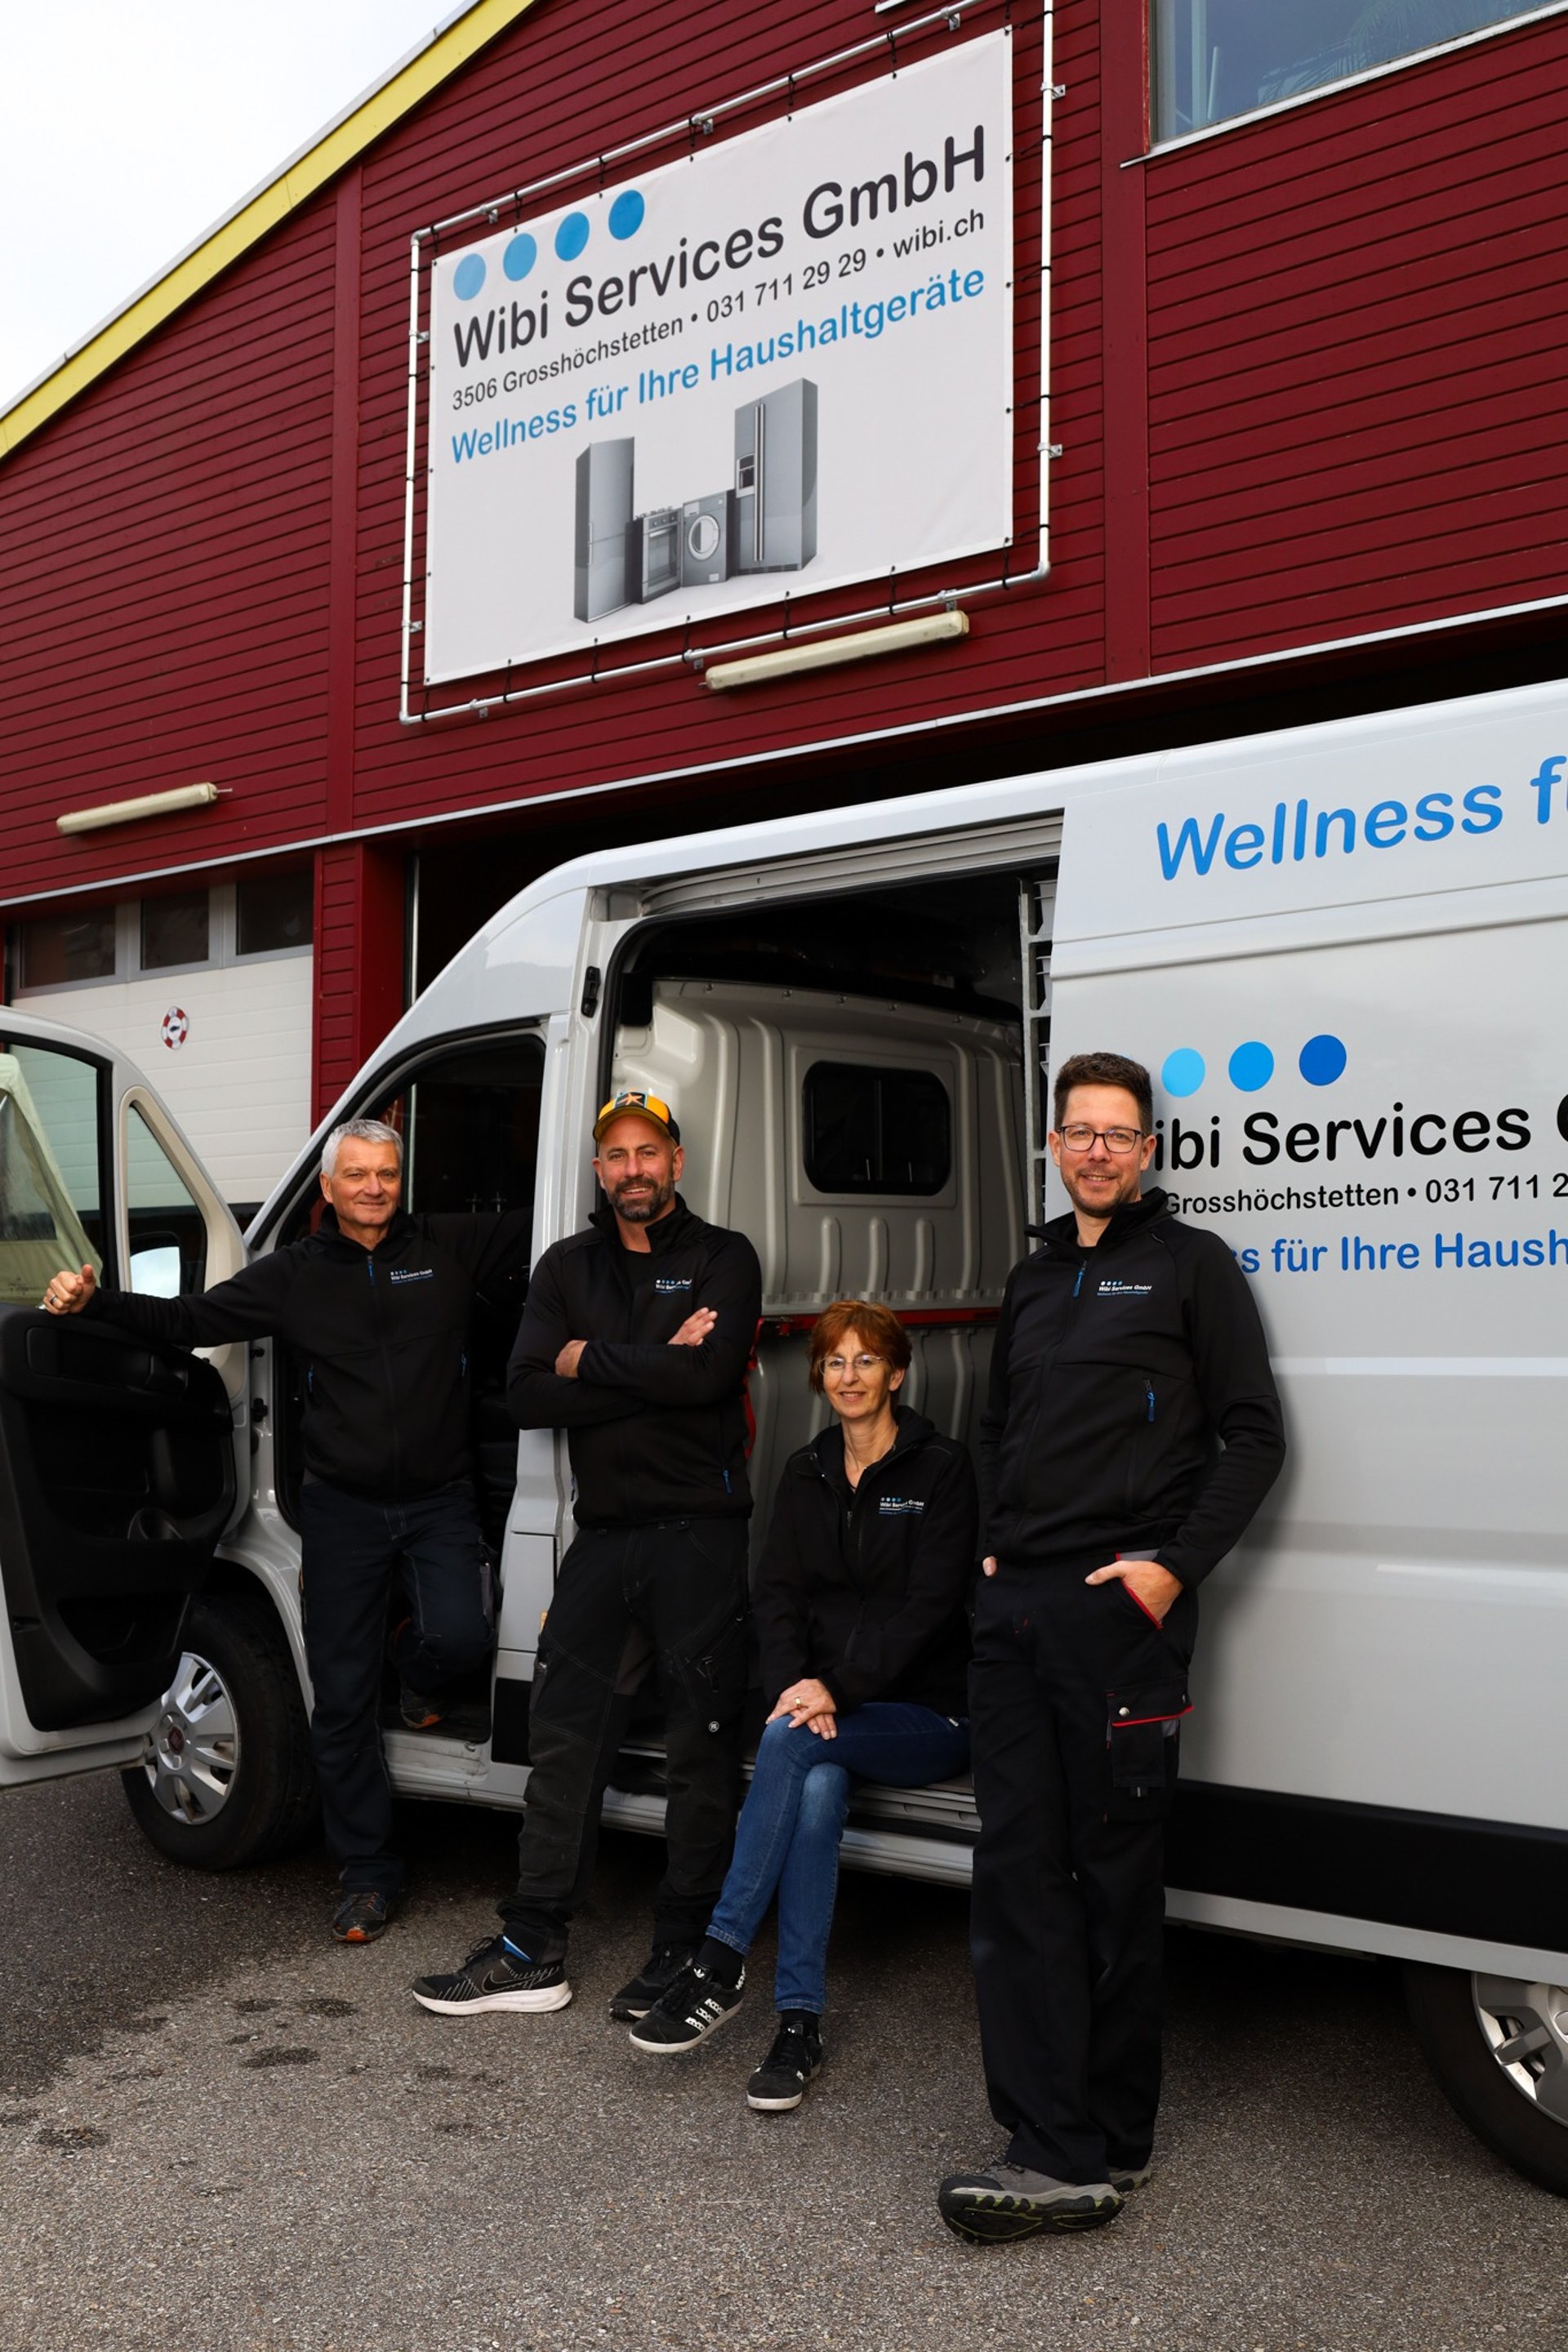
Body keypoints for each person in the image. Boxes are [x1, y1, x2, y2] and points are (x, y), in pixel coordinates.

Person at [938, 1050, 1286, 2243]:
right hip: (1015, 1616)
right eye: (1079, 1130)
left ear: (1149, 1151)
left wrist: (1165, 1571)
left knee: (1115, 1881)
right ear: (1054, 1144)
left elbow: (1253, 1438)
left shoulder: (1192, 1269)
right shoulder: (1034, 1279)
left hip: (1117, 1619)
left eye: (1118, 1133)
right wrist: (988, 1552)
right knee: (1018, 1876)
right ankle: (1057, 2144)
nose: (1097, 1149)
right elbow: (996, 1427)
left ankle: (1105, 2139)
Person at [42, 1117, 531, 1944]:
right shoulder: (295, 1276)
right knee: (338, 1701)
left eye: (387, 1173)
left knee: (462, 1637)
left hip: (442, 1499)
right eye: (359, 1175)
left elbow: (559, 1228)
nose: (375, 1188)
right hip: (341, 1509)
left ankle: (411, 1674)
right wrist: (95, 1303)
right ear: (330, 1187)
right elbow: (188, 1321)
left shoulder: (452, 1247)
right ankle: (369, 1875)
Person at [412, 1089, 763, 2024]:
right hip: (604, 1536)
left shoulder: (726, 1257)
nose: (633, 1169)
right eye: (617, 1155)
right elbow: (526, 1393)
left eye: (649, 1152)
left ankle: (685, 1947)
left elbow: (710, 1376)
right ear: (600, 1170)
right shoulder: (566, 1265)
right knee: (564, 1738)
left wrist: (587, 1360)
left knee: (701, 1742)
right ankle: (533, 1945)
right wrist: (653, 1362)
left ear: (676, 1162)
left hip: (700, 1534)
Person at [626, 1299, 976, 2110]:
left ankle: (718, 1958)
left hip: (930, 1714)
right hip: (824, 1717)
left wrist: (835, 1690)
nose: (849, 1376)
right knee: (812, 1779)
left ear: (895, 1374)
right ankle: (798, 2025)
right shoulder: (806, 1471)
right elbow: (774, 1597)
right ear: (819, 1376)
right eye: (835, 1362)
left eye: (866, 1361)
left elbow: (928, 1609)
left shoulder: (941, 1469)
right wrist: (798, 1686)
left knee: (797, 1745)